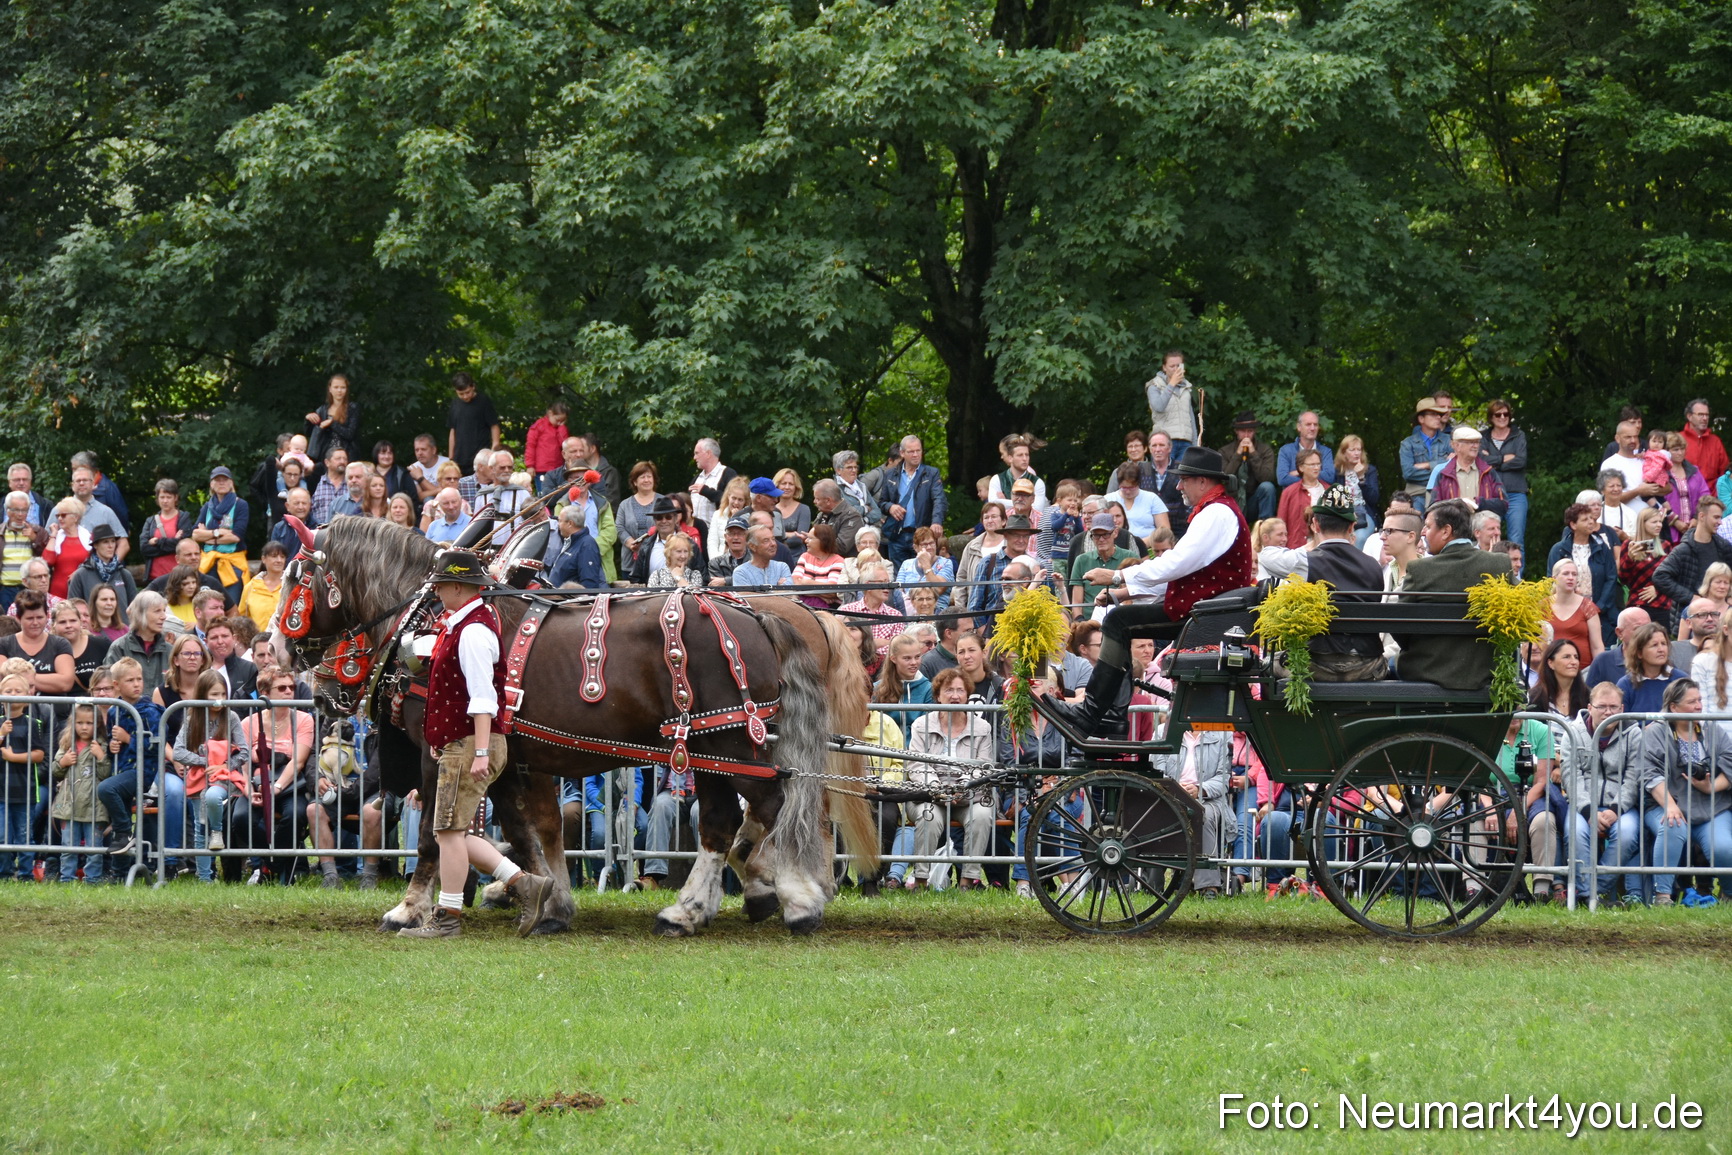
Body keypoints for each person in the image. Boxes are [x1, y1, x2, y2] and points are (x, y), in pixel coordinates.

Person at [398, 550, 555, 938]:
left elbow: (483, 697)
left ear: (456, 586)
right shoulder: (465, 625)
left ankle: (448, 918)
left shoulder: (471, 632)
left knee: (449, 833)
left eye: (440, 585)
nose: (436, 592)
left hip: (470, 743)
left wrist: (481, 750)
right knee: (451, 832)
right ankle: (524, 884)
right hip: (464, 742)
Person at [1062, 447, 1255, 736]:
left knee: (1117, 621)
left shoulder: (1217, 513)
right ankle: (1107, 714)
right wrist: (1122, 593)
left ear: (1202, 481)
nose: (1178, 487)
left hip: (1208, 616)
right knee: (1119, 619)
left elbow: (1175, 564)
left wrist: (1116, 576)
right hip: (1205, 612)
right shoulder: (1216, 510)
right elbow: (1182, 573)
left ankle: (1096, 713)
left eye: (1184, 480)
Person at [1395, 498, 1514, 689]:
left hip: (1426, 671)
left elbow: (1400, 627)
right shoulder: (1499, 564)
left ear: (1446, 531)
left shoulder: (1420, 570)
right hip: (1485, 673)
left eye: (1428, 526)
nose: (1423, 532)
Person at [1638, 678, 1732, 906]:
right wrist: (1670, 805)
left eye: (1699, 700)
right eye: (1692, 702)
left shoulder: (1712, 729)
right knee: (1673, 824)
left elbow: (1730, 762)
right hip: (1664, 804)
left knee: (1722, 846)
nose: (1699, 706)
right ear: (1673, 707)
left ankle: (1729, 894)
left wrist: (1711, 787)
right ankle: (1662, 896)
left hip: (1710, 807)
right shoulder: (1655, 732)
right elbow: (1650, 774)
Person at [903, 667, 997, 890]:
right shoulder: (922, 725)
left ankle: (968, 880)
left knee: (982, 814)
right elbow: (916, 765)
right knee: (929, 816)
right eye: (949, 690)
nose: (955, 696)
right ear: (938, 696)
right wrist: (937, 788)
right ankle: (921, 880)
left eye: (960, 690)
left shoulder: (982, 728)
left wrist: (962, 788)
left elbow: (984, 765)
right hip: (929, 795)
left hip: (968, 796)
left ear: (967, 695)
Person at [1295, 485, 1386, 681]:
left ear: (1315, 525)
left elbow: (1267, 557)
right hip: (1366, 665)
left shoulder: (1305, 562)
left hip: (1316, 664)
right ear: (1352, 527)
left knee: (1271, 663)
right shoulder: (1374, 566)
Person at [94, 656, 178, 861]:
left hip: (145, 772)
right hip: (123, 770)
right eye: (130, 680)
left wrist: (128, 739)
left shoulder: (150, 711)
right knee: (120, 815)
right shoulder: (114, 710)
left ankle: (125, 831)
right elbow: (114, 742)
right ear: (117, 685)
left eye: (139, 679)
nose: (136, 684)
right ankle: (120, 870)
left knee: (106, 788)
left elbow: (156, 746)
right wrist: (113, 747)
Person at [50, 701, 111, 883]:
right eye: (80, 723)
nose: (84, 727)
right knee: (68, 845)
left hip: (94, 806)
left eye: (89, 723)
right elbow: (55, 772)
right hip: (69, 805)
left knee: (94, 846)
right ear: (73, 723)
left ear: (97, 724)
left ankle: (93, 879)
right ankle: (66, 878)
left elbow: (106, 774)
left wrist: (101, 757)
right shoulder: (66, 745)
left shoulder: (102, 745)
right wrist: (63, 762)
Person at [1546, 501, 1621, 641]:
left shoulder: (1602, 548)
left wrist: (1598, 607)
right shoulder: (1559, 550)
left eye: (1591, 518)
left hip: (1601, 612)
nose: (1591, 522)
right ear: (1573, 525)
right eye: (1585, 519)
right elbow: (1551, 580)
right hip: (1568, 612)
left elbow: (1611, 578)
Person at [1653, 495, 1732, 615]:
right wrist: (1691, 597)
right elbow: (1660, 576)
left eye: (1720, 518)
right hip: (1690, 617)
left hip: (1720, 616)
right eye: (1716, 517)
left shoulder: (1723, 546)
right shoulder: (1683, 550)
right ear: (1702, 516)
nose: (1720, 522)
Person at [876, 436, 947, 566]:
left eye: (918, 450)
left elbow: (939, 499)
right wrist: (890, 507)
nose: (915, 454)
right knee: (899, 575)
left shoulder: (931, 473)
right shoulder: (890, 474)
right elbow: (882, 502)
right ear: (902, 453)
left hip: (922, 536)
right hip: (897, 535)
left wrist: (936, 522)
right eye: (911, 451)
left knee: (924, 571)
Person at [0, 591, 75, 696]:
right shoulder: (4, 644)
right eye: (30, 618)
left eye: (40, 617)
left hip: (53, 706)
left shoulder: (60, 644)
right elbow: (3, 679)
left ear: (47, 616)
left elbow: (65, 683)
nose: (35, 623)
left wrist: (19, 678)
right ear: (18, 618)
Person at [192, 467, 249, 603]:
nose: (221, 482)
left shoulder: (241, 505)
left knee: (231, 604)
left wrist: (208, 537)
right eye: (217, 480)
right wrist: (217, 533)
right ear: (211, 484)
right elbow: (195, 535)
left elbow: (236, 536)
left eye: (225, 479)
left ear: (231, 483)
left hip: (232, 565)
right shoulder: (207, 507)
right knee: (207, 604)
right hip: (208, 563)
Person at [1481, 399, 1529, 550]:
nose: (1502, 417)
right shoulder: (1483, 437)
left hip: (1515, 493)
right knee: (1490, 537)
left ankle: (1516, 566)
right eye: (1498, 414)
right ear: (1491, 417)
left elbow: (1521, 461)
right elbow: (1481, 462)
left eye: (1506, 414)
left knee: (1516, 538)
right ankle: (1491, 566)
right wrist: (1504, 458)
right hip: (1491, 494)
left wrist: (1494, 461)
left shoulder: (1518, 435)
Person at [107, 591, 174, 699]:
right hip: (128, 709)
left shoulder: (170, 650)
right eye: (157, 611)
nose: (164, 616)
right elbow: (110, 686)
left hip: (163, 710)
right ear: (140, 614)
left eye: (164, 610)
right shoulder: (119, 648)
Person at [1427, 426, 1505, 515]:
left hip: (1482, 523)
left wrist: (1479, 503)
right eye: (1471, 442)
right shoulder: (1443, 474)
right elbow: (1433, 508)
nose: (1475, 446)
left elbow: (1503, 504)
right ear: (1456, 445)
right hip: (1454, 523)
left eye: (1477, 442)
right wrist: (1456, 506)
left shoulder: (1488, 472)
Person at [1617, 507, 1672, 633]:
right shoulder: (1629, 544)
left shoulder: (1665, 545)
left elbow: (1673, 576)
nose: (1659, 525)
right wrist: (1630, 559)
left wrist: (1658, 588)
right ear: (1643, 523)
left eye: (1660, 522)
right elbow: (1623, 579)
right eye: (1654, 522)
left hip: (1661, 605)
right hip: (1638, 603)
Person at [1217, 411, 1278, 522]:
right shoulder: (1224, 451)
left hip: (1254, 501)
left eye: (1249, 431)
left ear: (1254, 431)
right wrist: (1237, 455)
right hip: (1232, 502)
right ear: (1236, 431)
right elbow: (1223, 479)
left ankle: (1265, 527)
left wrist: (1254, 454)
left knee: (1267, 487)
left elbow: (1267, 478)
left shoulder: (1265, 450)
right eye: (1242, 431)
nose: (1246, 435)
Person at [1615, 622, 1685, 714]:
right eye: (1654, 645)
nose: (1661, 649)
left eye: (1664, 644)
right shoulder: (1626, 684)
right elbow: (1621, 720)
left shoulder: (1681, 680)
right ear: (1639, 653)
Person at [1599, 419, 1665, 517]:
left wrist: (1652, 489)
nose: (1633, 440)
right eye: (1628, 437)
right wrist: (1638, 491)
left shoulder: (1647, 460)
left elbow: (1668, 488)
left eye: (1635, 436)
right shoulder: (1610, 464)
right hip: (1624, 521)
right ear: (1617, 438)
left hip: (1651, 521)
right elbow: (1609, 498)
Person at [65, 525, 136, 613]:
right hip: (92, 622)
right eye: (105, 542)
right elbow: (73, 610)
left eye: (113, 541)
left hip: (122, 622)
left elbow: (135, 608)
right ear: (95, 545)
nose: (110, 546)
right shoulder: (81, 575)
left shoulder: (124, 574)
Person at [1397, 398, 1452, 510]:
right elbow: (1408, 473)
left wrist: (1427, 465)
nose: (1438, 417)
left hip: (1444, 491)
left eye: (1439, 414)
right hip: (1417, 493)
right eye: (1433, 414)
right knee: (1415, 514)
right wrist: (1441, 468)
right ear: (1421, 419)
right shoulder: (1407, 444)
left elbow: (1454, 466)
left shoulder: (1449, 440)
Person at [1144, 350, 1198, 460]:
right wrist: (1172, 384)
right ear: (1164, 367)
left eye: (1178, 365)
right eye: (1172, 366)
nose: (1175, 369)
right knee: (1164, 471)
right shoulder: (1154, 385)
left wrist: (1195, 444)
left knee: (1184, 472)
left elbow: (1190, 417)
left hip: (1186, 442)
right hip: (1163, 441)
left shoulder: (1186, 387)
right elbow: (1159, 407)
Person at [1545, 559, 1604, 660]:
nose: (1571, 578)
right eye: (1566, 574)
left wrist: (1600, 667)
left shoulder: (1588, 607)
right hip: (1551, 666)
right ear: (1554, 578)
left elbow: (1597, 646)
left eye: (1574, 574)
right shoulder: (1542, 606)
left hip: (1584, 667)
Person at [445, 372, 501, 474]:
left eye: (468, 392)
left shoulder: (483, 401)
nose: (465, 396)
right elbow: (453, 431)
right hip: (459, 458)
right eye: (461, 394)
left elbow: (494, 426)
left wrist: (493, 451)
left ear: (473, 387)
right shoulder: (455, 403)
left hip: (480, 458)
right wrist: (451, 458)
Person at [50, 601, 107, 695]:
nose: (68, 626)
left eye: (73, 621)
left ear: (80, 622)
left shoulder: (100, 644)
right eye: (62, 622)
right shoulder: (47, 649)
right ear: (53, 625)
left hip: (94, 703)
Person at [139, 479, 190, 583]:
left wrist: (157, 541)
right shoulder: (150, 521)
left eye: (168, 497)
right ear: (157, 498)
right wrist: (173, 542)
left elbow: (183, 547)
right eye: (162, 497)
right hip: (154, 578)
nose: (165, 501)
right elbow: (144, 548)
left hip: (177, 578)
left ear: (175, 498)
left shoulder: (183, 518)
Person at [1335, 434, 1381, 547]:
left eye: (1359, 450)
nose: (1356, 453)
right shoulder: (1337, 472)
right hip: (1343, 513)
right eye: (1352, 450)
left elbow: (1374, 499)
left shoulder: (1369, 470)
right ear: (1344, 453)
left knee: (1359, 537)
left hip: (1364, 513)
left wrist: (1361, 478)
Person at [616, 461, 661, 574]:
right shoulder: (624, 505)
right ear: (635, 482)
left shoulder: (663, 501)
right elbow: (619, 527)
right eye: (642, 477)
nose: (646, 480)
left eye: (649, 476)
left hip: (657, 560)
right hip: (630, 563)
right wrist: (630, 542)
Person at [1106, 462, 1170, 542]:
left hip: (1149, 545)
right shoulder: (1108, 499)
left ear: (1139, 483)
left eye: (1132, 487)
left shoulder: (1152, 498)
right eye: (1124, 488)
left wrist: (1141, 544)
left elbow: (1165, 530)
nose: (1128, 492)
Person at [41, 498, 91, 599]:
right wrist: (53, 535)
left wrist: (80, 572)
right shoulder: (57, 537)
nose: (59, 519)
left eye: (63, 515)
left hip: (82, 591)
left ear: (75, 517)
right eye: (58, 515)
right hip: (58, 592)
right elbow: (47, 561)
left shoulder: (88, 537)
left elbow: (95, 564)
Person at [548, 503, 607, 590]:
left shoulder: (587, 545)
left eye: (560, 521)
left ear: (570, 523)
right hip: (556, 596)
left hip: (568, 598)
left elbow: (589, 584)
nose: (558, 525)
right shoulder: (570, 541)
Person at [1275, 449, 1327, 545]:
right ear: (1301, 467)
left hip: (1325, 545)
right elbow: (1281, 523)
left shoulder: (1329, 490)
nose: (1316, 468)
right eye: (1312, 465)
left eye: (1318, 464)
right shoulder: (1289, 492)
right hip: (1297, 546)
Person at [305, 373, 362, 460]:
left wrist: (332, 423)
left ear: (347, 390)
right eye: (336, 387)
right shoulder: (322, 410)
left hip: (347, 455)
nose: (339, 390)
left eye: (343, 387)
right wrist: (308, 419)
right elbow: (309, 433)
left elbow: (350, 434)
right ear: (330, 389)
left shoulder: (353, 408)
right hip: (326, 455)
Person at [1276, 410, 1336, 490]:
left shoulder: (1325, 452)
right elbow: (1282, 479)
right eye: (1308, 424)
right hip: (1295, 496)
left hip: (1319, 496)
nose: (1312, 428)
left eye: (1315, 425)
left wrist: (1299, 472)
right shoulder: (1286, 450)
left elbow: (1329, 477)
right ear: (1299, 427)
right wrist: (1314, 475)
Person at [792, 523, 846, 608]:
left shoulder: (838, 561)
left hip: (829, 609)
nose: (806, 541)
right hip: (802, 605)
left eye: (810, 538)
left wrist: (806, 582)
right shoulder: (805, 556)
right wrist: (820, 595)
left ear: (823, 541)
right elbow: (795, 583)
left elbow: (832, 591)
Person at [1680, 398, 1728, 492]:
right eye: (1700, 414)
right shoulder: (1678, 439)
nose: (1705, 418)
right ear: (1689, 416)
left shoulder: (1715, 441)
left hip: (1712, 495)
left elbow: (1725, 473)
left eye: (1707, 415)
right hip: (1684, 494)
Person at [686, 437, 736, 527]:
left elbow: (734, 501)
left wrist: (707, 492)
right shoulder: (696, 479)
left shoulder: (728, 474)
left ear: (708, 454)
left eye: (697, 453)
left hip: (717, 530)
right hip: (694, 532)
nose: (694, 457)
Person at [524, 399, 570, 494]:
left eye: (562, 421)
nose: (559, 423)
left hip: (557, 468)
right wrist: (530, 465)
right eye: (557, 420)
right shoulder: (539, 426)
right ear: (550, 413)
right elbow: (530, 446)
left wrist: (561, 428)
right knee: (544, 493)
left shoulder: (561, 428)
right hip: (542, 469)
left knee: (559, 493)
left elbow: (564, 445)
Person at [811, 479, 864, 558]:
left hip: (844, 563)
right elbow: (814, 535)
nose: (814, 502)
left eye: (817, 499)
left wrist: (814, 542)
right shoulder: (822, 514)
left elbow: (841, 547)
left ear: (828, 500)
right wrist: (808, 538)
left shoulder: (852, 516)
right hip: (822, 560)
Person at [771, 468, 813, 551]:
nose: (787, 487)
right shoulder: (770, 509)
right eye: (783, 483)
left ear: (796, 487)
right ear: (777, 485)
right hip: (773, 554)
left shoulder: (803, 509)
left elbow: (800, 538)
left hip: (797, 555)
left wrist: (778, 535)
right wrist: (792, 534)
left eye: (791, 484)